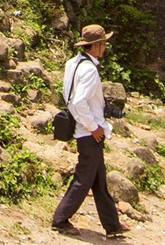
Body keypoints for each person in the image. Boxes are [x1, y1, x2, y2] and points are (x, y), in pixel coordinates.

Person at [52, 24, 125, 238]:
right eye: (103, 44)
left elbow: (70, 98)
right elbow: (77, 102)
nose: (104, 48)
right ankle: (60, 219)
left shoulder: (72, 64)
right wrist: (94, 128)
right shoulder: (90, 70)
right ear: (97, 46)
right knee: (83, 180)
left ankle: (112, 226)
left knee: (98, 181)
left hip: (84, 129)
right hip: (89, 132)